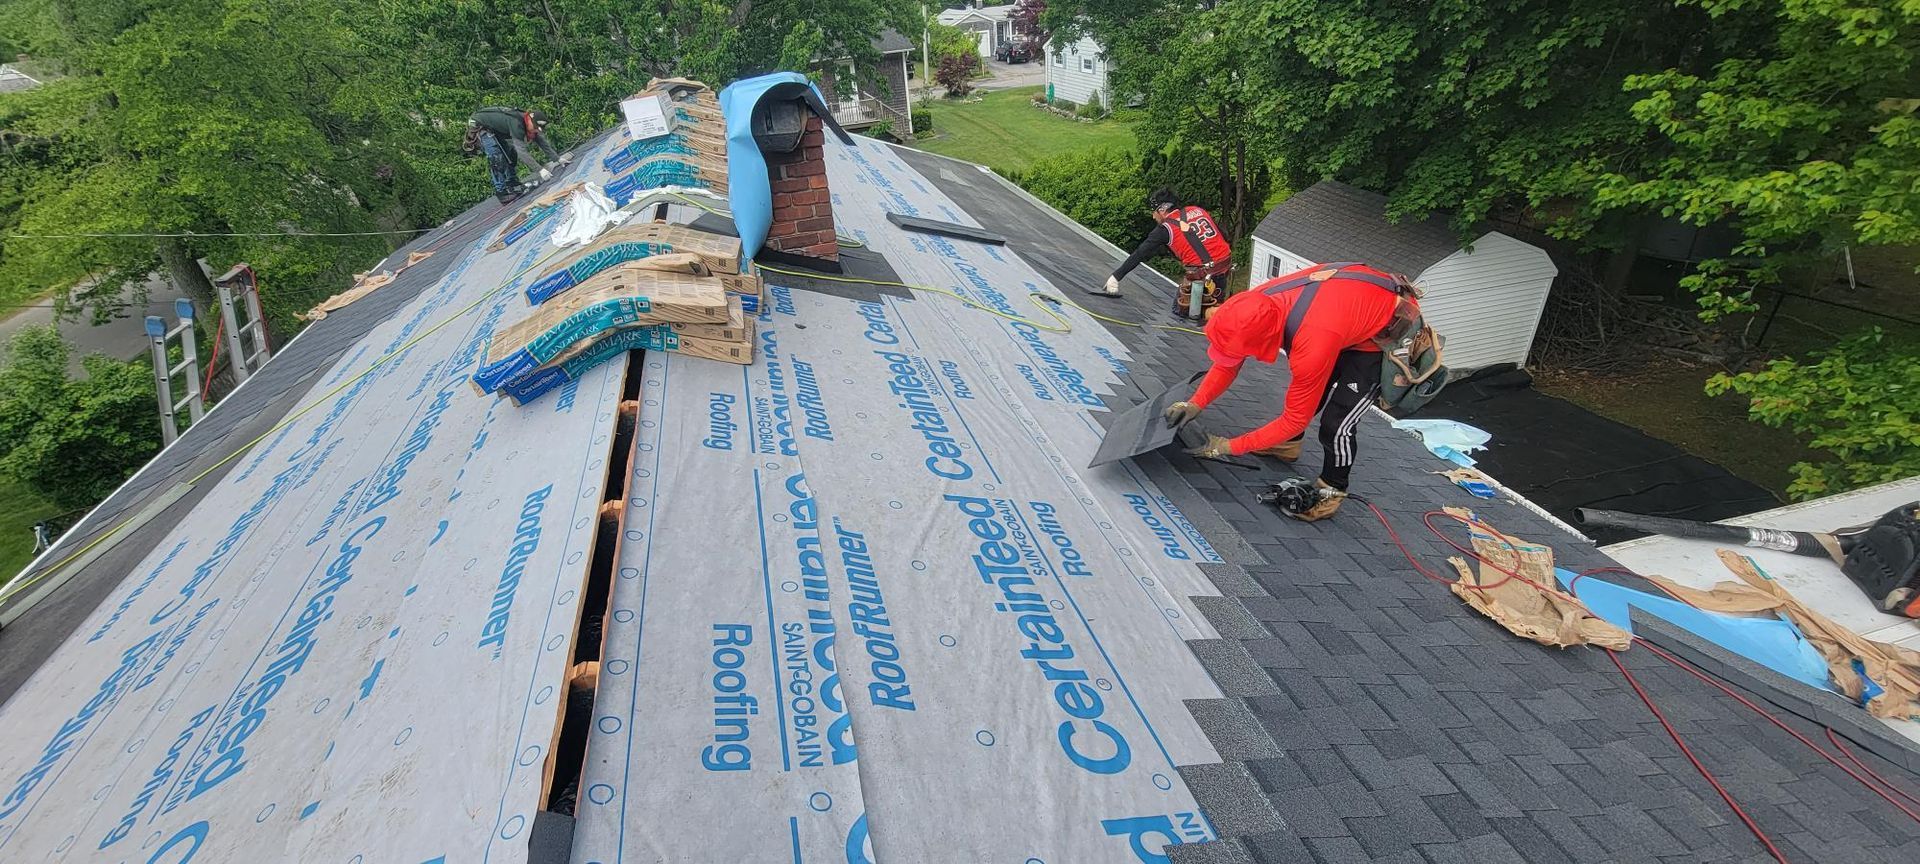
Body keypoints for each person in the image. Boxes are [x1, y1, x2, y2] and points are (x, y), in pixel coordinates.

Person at [1164, 262, 1422, 521]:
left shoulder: (1312, 346)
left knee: (1337, 424)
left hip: (1385, 330)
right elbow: (1228, 362)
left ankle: (1332, 490)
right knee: (1310, 390)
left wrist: (1225, 447)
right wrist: (1195, 403)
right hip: (1342, 313)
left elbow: (1294, 419)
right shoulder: (1253, 305)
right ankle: (1287, 446)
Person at [1095, 188, 1232, 319]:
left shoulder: (1165, 229)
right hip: (1224, 268)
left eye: (1154, 211)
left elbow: (1140, 253)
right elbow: (1221, 236)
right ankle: (1219, 313)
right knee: (1215, 304)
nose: (1153, 216)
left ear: (1162, 209)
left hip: (1202, 276)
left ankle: (1212, 316)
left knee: (1182, 311)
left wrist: (1116, 277)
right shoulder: (1197, 210)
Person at [466, 107, 562, 203]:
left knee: (510, 151)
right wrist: (540, 170)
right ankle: (502, 193)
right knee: (496, 157)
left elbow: (541, 141)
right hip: (479, 124)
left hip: (493, 128)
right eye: (536, 127)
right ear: (530, 120)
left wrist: (557, 159)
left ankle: (512, 182)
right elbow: (522, 152)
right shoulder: (517, 124)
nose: (536, 130)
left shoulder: (528, 122)